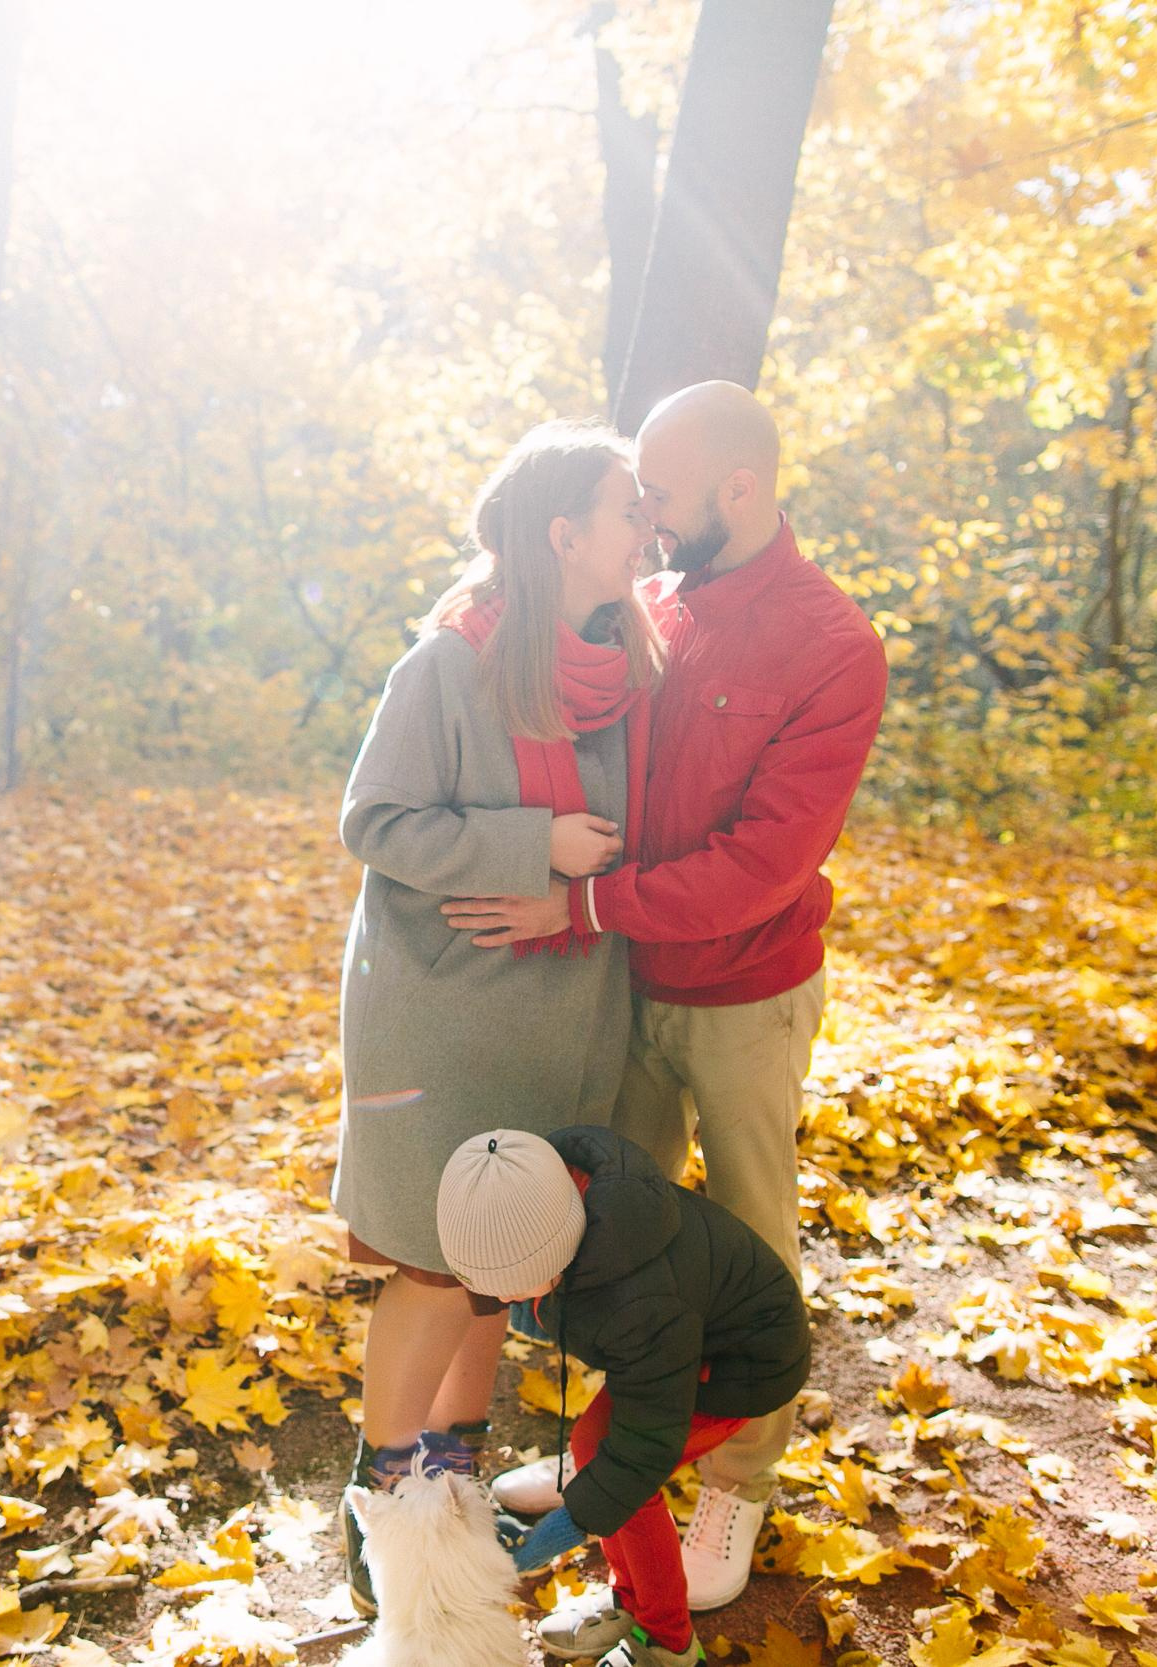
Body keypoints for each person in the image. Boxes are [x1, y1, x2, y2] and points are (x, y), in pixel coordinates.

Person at [444, 382, 888, 1611]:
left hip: (744, 993)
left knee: (748, 1238)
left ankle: (741, 1477)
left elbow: (761, 865)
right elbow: (533, 644)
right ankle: (607, 1454)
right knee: (608, 1239)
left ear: (738, 491)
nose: (642, 518)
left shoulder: (832, 645)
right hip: (619, 986)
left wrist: (583, 905)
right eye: (632, 499)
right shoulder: (646, 603)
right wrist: (474, 613)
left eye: (664, 498)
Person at [331, 419, 668, 1616]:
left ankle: (455, 1465)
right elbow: (374, 820)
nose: (649, 526)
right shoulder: (449, 664)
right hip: (442, 1011)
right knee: (432, 1261)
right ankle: (380, 1496)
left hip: (563, 1006)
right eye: (630, 507)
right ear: (563, 533)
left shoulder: (623, 666)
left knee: (499, 1260)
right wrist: (533, 844)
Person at [437, 1126, 809, 1667]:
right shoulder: (545, 1194)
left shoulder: (639, 1301)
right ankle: (630, 1599)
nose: (503, 1301)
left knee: (620, 1483)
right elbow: (524, 1276)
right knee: (593, 1452)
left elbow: (640, 1453)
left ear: (558, 1256)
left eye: (514, 1287)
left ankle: (669, 1643)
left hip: (738, 1367)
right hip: (675, 1348)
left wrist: (551, 1537)